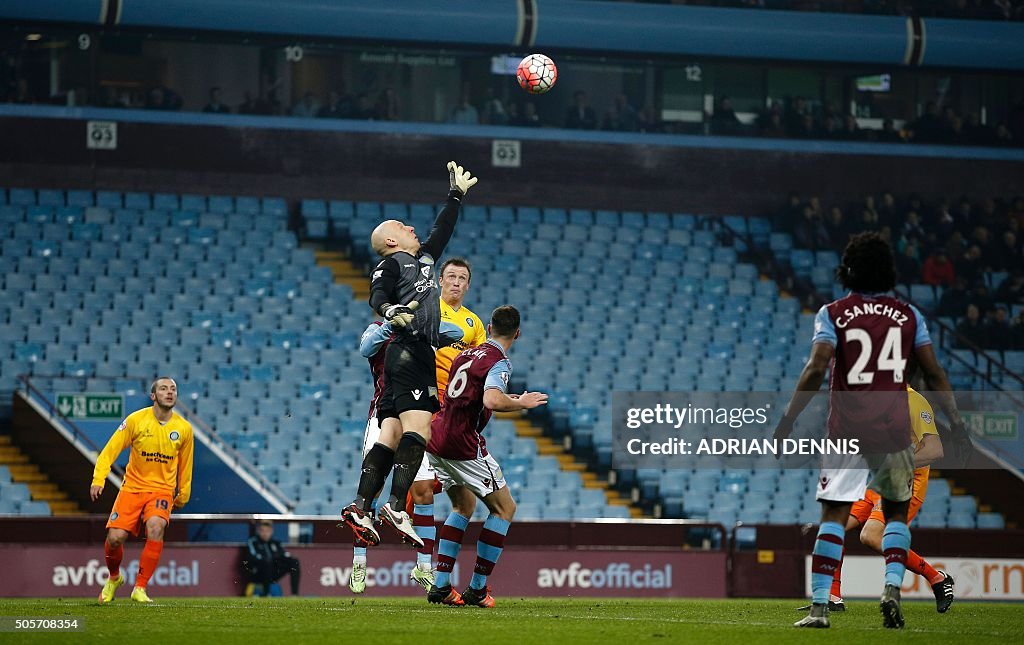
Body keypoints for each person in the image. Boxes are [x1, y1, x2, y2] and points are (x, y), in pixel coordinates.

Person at [774, 232, 970, 629]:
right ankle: (892, 589)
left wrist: (788, 419)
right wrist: (959, 424)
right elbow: (934, 371)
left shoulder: (832, 313)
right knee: (894, 517)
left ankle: (819, 611)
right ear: (889, 272)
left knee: (833, 518)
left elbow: (815, 369)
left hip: (846, 429)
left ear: (847, 271)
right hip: (891, 430)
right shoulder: (910, 317)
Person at [341, 161, 478, 548]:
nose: (412, 228)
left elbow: (441, 231)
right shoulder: (390, 264)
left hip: (408, 354)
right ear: (390, 242)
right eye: (403, 227)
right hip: (410, 351)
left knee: (392, 433)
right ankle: (397, 506)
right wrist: (389, 312)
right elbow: (377, 296)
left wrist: (456, 196)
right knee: (419, 430)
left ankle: (361, 505)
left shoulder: (422, 262)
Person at [347, 258, 486, 595]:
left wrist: (433, 330)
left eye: (461, 278)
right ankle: (359, 562)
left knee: (423, 489)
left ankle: (424, 565)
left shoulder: (426, 327)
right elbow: (366, 347)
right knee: (369, 491)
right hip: (382, 414)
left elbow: (452, 334)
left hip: (419, 412)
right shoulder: (377, 327)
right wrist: (391, 324)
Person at [426, 305, 548, 607]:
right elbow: (491, 398)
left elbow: (464, 394)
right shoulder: (500, 362)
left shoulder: (466, 354)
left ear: (489, 328)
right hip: (462, 443)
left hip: (437, 435)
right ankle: (477, 588)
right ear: (517, 334)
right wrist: (523, 404)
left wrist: (511, 399)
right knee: (505, 508)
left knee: (462, 504)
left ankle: (441, 584)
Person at [798, 386, 955, 614]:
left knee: (871, 536)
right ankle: (833, 597)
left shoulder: (915, 402)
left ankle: (937, 578)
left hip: (907, 481)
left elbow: (934, 450)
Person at [92, 377, 194, 604]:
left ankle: (140, 588)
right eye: (164, 389)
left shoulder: (184, 429)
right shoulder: (136, 421)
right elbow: (110, 450)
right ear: (153, 396)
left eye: (173, 389)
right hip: (132, 488)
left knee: (156, 526)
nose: (170, 392)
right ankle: (114, 578)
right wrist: (99, 478)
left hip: (162, 489)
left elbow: (186, 465)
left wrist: (183, 494)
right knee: (115, 538)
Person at [241, 520, 300, 597]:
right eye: (262, 531)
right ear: (258, 531)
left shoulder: (275, 543)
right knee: (266, 562)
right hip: (257, 573)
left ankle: (294, 594)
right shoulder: (253, 542)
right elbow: (251, 558)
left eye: (267, 531)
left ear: (271, 531)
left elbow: (283, 555)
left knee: (294, 562)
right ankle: (266, 594)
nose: (265, 534)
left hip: (272, 573)